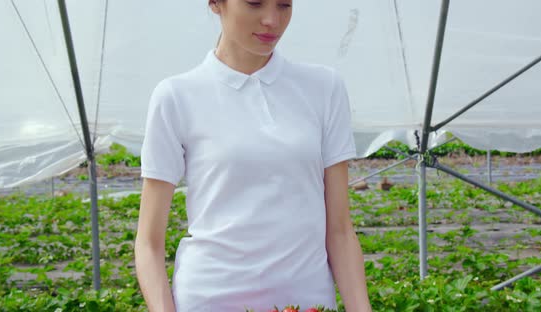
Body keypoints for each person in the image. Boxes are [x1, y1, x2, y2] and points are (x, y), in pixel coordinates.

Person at [134, 0, 371, 311]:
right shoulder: (177, 96)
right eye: (254, 3)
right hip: (210, 298)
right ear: (216, 3)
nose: (272, 20)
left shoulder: (324, 88)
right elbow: (149, 243)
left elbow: (339, 229)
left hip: (305, 299)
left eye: (284, 5)